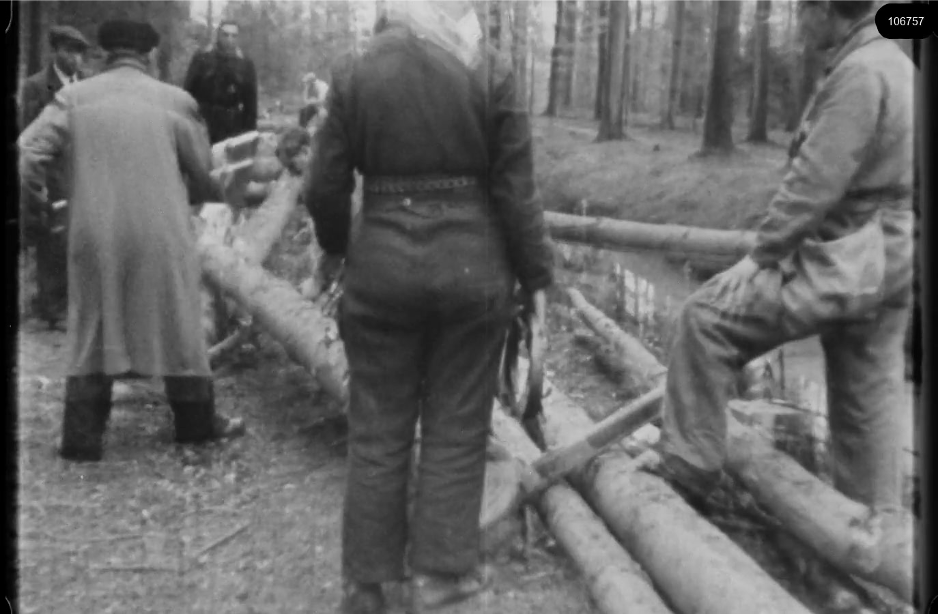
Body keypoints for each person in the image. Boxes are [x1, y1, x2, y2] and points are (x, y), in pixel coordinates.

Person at [304, 0, 553, 612]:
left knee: (378, 430)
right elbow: (516, 193)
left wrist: (338, 252)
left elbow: (324, 187)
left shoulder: (354, 68)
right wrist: (538, 278)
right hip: (473, 269)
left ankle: (368, 584)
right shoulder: (489, 69)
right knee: (457, 430)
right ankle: (442, 580)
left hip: (381, 263)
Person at [646, 0, 915, 520]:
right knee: (867, 401)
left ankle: (687, 472)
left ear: (828, 10)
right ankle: (874, 543)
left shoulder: (860, 73)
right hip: (894, 257)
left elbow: (815, 180)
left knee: (704, 320)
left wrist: (763, 255)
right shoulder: (899, 63)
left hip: (850, 257)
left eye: (804, 10)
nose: (798, 22)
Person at [18, 19, 246, 463]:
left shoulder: (72, 98)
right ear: (151, 57)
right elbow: (204, 177)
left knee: (92, 325)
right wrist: (217, 190)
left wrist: (37, 209)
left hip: (93, 231)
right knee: (179, 322)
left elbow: (27, 154)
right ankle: (195, 425)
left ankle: (81, 439)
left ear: (104, 55)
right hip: (162, 232)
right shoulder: (175, 102)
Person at [19, 25, 91, 330]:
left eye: (79, 52)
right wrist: (39, 184)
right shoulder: (36, 87)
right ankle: (52, 307)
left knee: (75, 240)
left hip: (79, 173)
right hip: (49, 174)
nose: (74, 59)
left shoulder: (87, 86)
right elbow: (29, 138)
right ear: (56, 51)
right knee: (52, 241)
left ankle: (70, 302)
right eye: (68, 51)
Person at [183, 20, 258, 144]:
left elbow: (251, 103)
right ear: (218, 35)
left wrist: (249, 134)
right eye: (226, 35)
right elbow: (188, 93)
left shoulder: (245, 63)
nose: (229, 40)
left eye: (234, 36)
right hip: (204, 122)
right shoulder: (202, 58)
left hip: (233, 125)